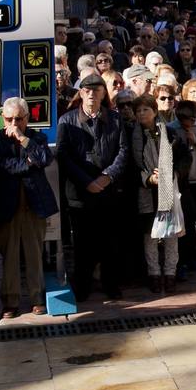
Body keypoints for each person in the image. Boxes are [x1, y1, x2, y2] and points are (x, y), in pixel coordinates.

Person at [56, 73, 128, 301]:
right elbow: (63, 156)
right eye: (87, 90)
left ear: (103, 93)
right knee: (82, 243)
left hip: (109, 190)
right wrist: (86, 181)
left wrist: (107, 176)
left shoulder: (116, 119)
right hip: (80, 192)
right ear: (81, 93)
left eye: (97, 90)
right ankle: (83, 285)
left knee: (111, 241)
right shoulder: (67, 121)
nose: (91, 94)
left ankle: (111, 283)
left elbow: (123, 151)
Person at [0, 97, 57, 318]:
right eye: (9, 119)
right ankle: (10, 301)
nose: (14, 124)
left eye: (19, 119)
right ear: (2, 118)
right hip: (6, 203)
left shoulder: (36, 137)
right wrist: (27, 164)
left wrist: (24, 140)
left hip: (33, 203)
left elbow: (45, 158)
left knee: (35, 253)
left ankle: (37, 298)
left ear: (27, 118)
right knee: (9, 255)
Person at [132, 94, 188, 293]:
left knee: (171, 234)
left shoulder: (170, 133)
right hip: (147, 193)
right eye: (138, 110)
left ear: (154, 111)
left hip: (169, 190)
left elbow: (184, 157)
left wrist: (174, 172)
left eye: (145, 109)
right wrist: (148, 178)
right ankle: (154, 273)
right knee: (151, 236)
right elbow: (132, 166)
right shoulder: (134, 136)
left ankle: (170, 273)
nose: (141, 114)